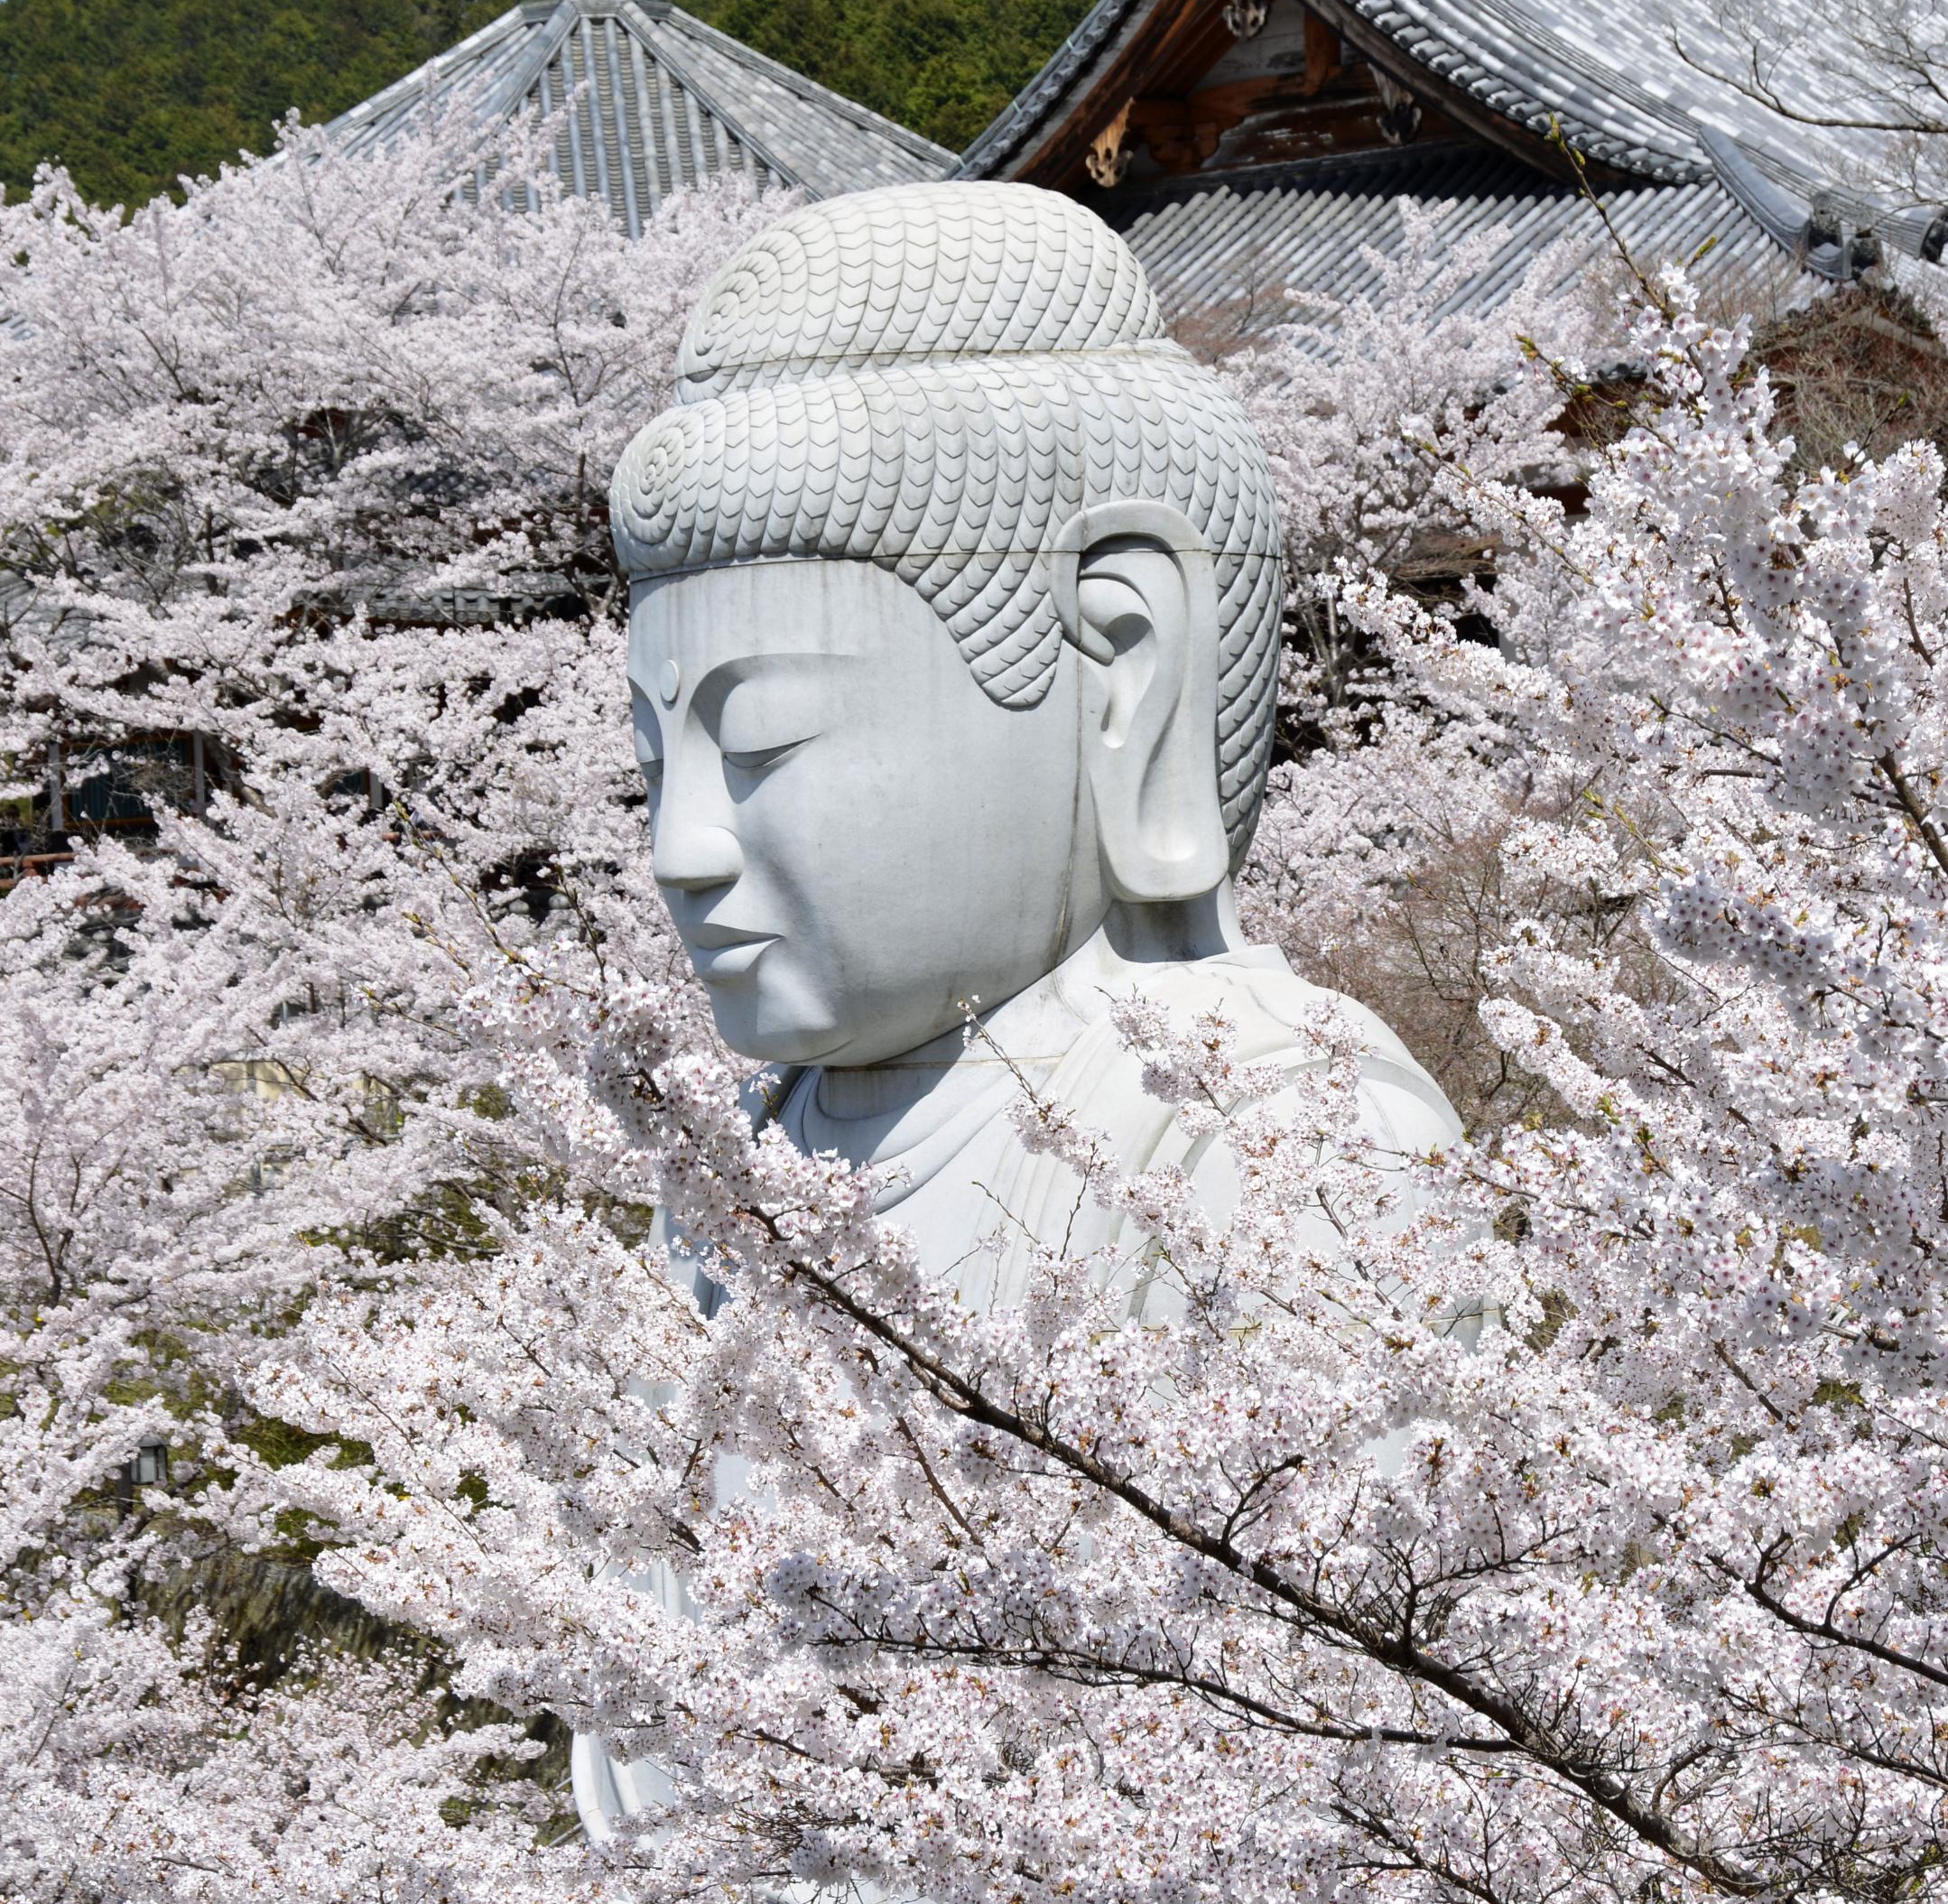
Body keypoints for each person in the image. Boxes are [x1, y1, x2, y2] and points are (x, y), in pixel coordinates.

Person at [611, 181, 1460, 1314]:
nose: (681, 851)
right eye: (654, 766)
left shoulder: (1273, 1149)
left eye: (762, 735)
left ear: (1123, 673)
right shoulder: (728, 1166)